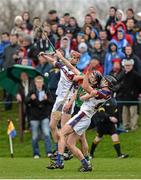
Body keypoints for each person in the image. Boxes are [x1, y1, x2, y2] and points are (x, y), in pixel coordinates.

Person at [47, 75, 116, 172]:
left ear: (107, 83)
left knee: (62, 133)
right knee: (70, 143)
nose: (102, 81)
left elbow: (87, 89)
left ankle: (59, 161)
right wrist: (90, 92)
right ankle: (86, 164)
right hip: (85, 118)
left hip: (82, 116)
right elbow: (83, 97)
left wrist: (85, 77)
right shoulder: (103, 91)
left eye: (104, 80)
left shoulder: (106, 92)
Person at [90, 93, 129, 159]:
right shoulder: (102, 102)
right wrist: (110, 118)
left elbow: (115, 112)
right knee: (98, 138)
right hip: (102, 123)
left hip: (110, 124)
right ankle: (91, 154)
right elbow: (101, 113)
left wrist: (117, 120)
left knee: (115, 136)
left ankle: (119, 155)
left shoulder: (113, 101)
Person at [27, 76, 53, 158]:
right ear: (35, 83)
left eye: (40, 82)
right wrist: (30, 98)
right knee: (35, 136)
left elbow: (52, 101)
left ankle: (49, 152)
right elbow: (25, 101)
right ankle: (36, 153)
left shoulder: (46, 91)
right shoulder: (31, 91)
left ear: (43, 83)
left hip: (44, 116)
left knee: (47, 134)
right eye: (37, 82)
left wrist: (47, 98)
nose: (39, 84)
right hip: (34, 117)